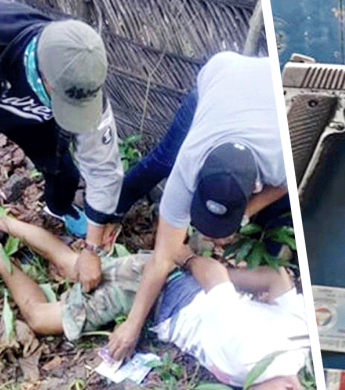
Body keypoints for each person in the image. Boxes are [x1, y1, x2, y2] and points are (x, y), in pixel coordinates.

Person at [0, 199, 321, 390]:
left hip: (175, 295)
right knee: (42, 317)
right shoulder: (247, 354)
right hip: (161, 287)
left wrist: (233, 285)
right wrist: (183, 258)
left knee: (71, 266)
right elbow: (214, 275)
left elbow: (278, 280)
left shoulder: (298, 346)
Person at [0, 0, 124, 345]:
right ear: (47, 78)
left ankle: (60, 208)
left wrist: (92, 249)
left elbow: (104, 170)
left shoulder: (84, 80)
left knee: (63, 171)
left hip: (28, 112)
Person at [108, 51, 291, 360]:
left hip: (274, 88)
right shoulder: (188, 166)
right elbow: (162, 259)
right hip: (223, 76)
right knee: (162, 158)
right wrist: (132, 324)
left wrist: (247, 212)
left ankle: (263, 258)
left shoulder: (282, 157)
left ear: (255, 185)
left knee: (283, 210)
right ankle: (109, 212)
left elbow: (286, 183)